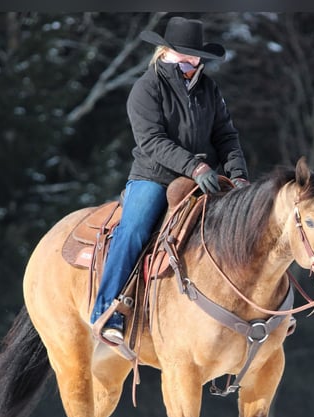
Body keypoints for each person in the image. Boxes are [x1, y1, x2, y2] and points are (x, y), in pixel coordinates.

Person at [91, 16, 249, 345]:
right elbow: (152, 141)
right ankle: (108, 309)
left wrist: (238, 176)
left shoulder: (209, 89)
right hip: (155, 176)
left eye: (195, 55)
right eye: (184, 54)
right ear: (166, 52)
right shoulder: (147, 87)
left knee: (245, 227)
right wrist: (194, 167)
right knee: (134, 229)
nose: (191, 61)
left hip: (205, 178)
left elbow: (226, 136)